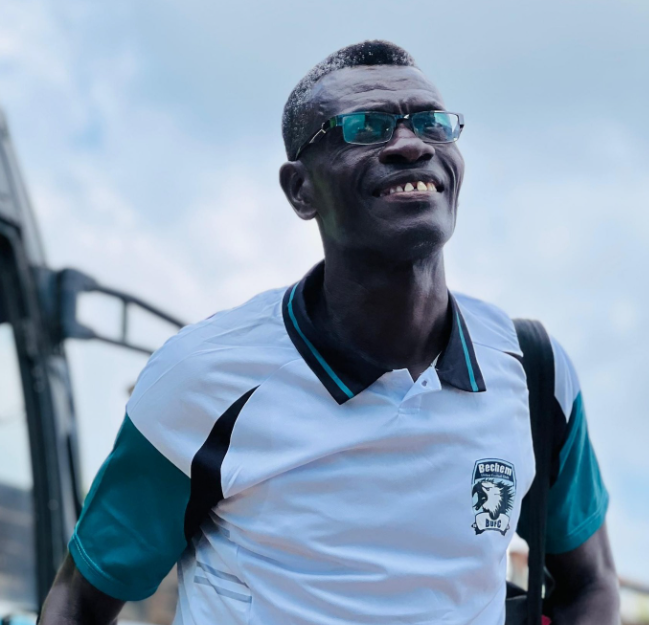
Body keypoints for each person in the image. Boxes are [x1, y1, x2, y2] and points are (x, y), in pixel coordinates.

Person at [39, 41, 620, 625]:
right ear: (301, 190)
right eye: (365, 127)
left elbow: (591, 585)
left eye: (432, 123)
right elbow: (78, 604)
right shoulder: (204, 379)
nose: (412, 144)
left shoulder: (532, 371)